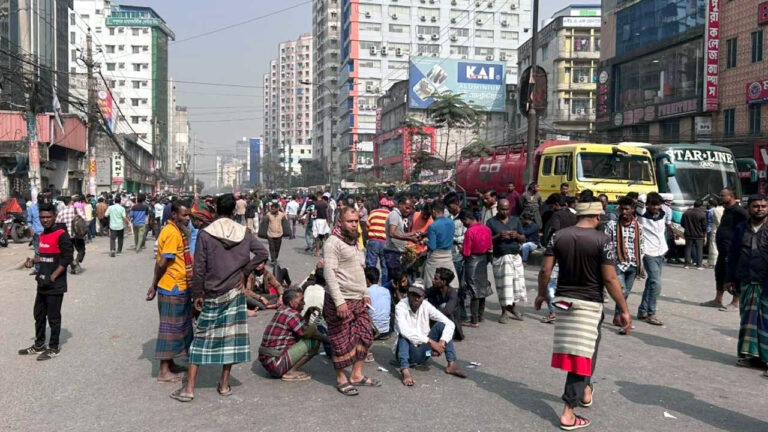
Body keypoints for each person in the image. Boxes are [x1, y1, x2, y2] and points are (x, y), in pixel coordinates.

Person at [535, 201, 632, 431]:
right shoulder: (602, 241)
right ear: (597, 216)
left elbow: (545, 270)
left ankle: (586, 391)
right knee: (582, 357)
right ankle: (569, 411)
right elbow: (609, 279)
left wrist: (541, 294)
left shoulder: (558, 236)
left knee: (583, 350)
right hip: (588, 304)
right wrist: (624, 309)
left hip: (564, 302)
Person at [170, 194, 269, 402]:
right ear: (234, 211)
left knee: (200, 340)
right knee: (230, 341)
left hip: (211, 292)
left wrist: (197, 294)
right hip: (233, 292)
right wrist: (244, 271)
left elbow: (199, 268)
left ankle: (189, 388)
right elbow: (262, 253)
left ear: (215, 211)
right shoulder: (244, 233)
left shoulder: (206, 234)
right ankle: (224, 385)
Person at [323, 206, 379, 396]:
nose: (354, 224)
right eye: (350, 221)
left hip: (358, 298)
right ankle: (341, 378)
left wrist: (365, 292)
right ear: (340, 222)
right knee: (341, 342)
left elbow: (360, 268)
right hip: (341, 299)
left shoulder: (355, 241)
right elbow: (329, 273)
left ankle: (356, 374)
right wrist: (339, 301)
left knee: (366, 334)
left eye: (356, 221)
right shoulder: (332, 243)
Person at [19, 203, 74, 361]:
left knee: (54, 317)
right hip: (42, 282)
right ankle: (39, 345)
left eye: (48, 217)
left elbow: (67, 256)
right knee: (39, 314)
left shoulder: (61, 234)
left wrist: (55, 275)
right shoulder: (42, 234)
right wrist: (33, 261)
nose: (45, 220)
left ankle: (54, 347)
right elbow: (45, 256)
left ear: (54, 217)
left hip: (55, 284)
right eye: (42, 217)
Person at [146, 201, 193, 383]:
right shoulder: (172, 233)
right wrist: (154, 285)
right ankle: (164, 371)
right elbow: (162, 263)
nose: (187, 218)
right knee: (170, 330)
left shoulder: (173, 230)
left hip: (177, 286)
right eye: (184, 215)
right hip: (172, 287)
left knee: (178, 328)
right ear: (174, 214)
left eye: (188, 215)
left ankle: (171, 363)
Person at [724, 194, 768, 374]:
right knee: (748, 319)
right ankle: (751, 356)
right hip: (747, 280)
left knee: (765, 322)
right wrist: (729, 279)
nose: (760, 209)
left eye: (764, 206)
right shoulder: (742, 228)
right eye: (756, 206)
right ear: (749, 207)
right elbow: (733, 255)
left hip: (766, 283)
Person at [395, 282, 467, 387]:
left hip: (425, 353)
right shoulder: (400, 307)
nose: (415, 299)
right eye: (413, 295)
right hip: (406, 354)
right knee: (404, 335)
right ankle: (405, 371)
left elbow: (449, 324)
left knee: (442, 325)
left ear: (423, 297)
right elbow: (404, 330)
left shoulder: (426, 305)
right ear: (408, 295)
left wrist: (442, 342)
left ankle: (451, 364)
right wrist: (431, 342)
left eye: (419, 296)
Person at [258, 288, 330, 381]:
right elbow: (309, 333)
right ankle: (290, 372)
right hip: (276, 364)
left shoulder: (282, 310)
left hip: (268, 362)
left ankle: (287, 367)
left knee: (307, 337)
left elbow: (300, 328)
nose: (303, 303)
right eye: (301, 300)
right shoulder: (292, 314)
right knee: (314, 341)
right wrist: (330, 341)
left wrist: (308, 312)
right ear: (292, 303)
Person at [701, 188, 748, 311]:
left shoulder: (739, 211)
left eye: (723, 196)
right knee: (720, 273)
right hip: (722, 249)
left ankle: (735, 302)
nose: (720, 198)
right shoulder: (727, 210)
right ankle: (718, 300)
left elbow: (749, 223)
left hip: (732, 250)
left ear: (731, 196)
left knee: (733, 275)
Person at [604, 196, 644, 329]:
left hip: (633, 264)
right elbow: (606, 243)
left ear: (632, 210)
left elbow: (642, 245)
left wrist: (640, 263)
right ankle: (622, 316)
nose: (624, 212)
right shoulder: (612, 225)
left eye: (627, 209)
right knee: (621, 290)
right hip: (617, 263)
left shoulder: (638, 226)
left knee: (626, 292)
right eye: (622, 209)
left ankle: (618, 315)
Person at [487, 199, 527, 323]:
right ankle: (504, 312)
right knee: (504, 286)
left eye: (507, 209)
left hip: (515, 257)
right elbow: (487, 239)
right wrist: (499, 236)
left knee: (515, 285)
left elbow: (523, 238)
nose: (505, 212)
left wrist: (517, 236)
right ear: (497, 208)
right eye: (502, 209)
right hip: (501, 257)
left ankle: (513, 308)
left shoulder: (515, 220)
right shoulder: (491, 222)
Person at [636, 192, 668, 326]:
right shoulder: (642, 215)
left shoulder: (662, 213)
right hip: (649, 253)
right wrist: (645, 197)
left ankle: (642, 310)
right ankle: (651, 313)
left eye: (658, 205)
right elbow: (641, 199)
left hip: (661, 251)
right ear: (648, 204)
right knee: (656, 283)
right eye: (653, 205)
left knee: (651, 283)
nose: (656, 207)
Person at [461, 211, 493, 327]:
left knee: (473, 289)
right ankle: (480, 316)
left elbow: (466, 252)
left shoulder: (470, 231)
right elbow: (490, 247)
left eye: (464, 221)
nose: (464, 224)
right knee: (482, 287)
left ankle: (474, 320)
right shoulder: (487, 229)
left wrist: (461, 249)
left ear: (467, 218)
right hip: (483, 260)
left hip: (472, 261)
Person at [384, 198, 420, 286]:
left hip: (396, 251)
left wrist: (412, 234)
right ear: (400, 204)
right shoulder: (394, 215)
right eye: (407, 208)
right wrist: (410, 239)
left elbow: (399, 233)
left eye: (410, 208)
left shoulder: (398, 216)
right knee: (395, 279)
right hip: (392, 252)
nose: (408, 210)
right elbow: (392, 233)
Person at [423, 201, 457, 289]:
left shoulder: (433, 226)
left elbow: (432, 246)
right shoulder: (451, 222)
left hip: (435, 258)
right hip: (448, 256)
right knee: (450, 283)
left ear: (434, 211)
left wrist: (426, 241)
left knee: (432, 284)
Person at [427, 267, 463, 341]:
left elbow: (447, 311)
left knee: (442, 306)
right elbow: (422, 295)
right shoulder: (434, 289)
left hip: (451, 324)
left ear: (444, 282)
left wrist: (429, 313)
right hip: (437, 320)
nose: (433, 280)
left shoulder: (452, 293)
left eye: (436, 279)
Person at [56, 196, 86, 274]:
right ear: (71, 202)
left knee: (69, 252)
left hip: (66, 236)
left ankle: (73, 267)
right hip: (77, 234)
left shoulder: (61, 213)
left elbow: (57, 224)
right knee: (81, 249)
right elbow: (84, 218)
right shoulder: (76, 210)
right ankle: (77, 260)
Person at [366, 198, 392, 284]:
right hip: (385, 242)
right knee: (385, 266)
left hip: (373, 241)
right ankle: (384, 285)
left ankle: (370, 284)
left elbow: (367, 226)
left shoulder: (373, 212)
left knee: (371, 265)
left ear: (380, 205)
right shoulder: (390, 214)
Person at [366, 266, 391, 339]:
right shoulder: (386, 291)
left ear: (367, 280)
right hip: (385, 330)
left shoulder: (366, 292)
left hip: (372, 331)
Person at [681, 199, 707, 269]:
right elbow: (704, 226)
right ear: (701, 205)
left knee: (688, 248)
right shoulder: (702, 214)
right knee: (699, 249)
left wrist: (687, 228)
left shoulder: (686, 213)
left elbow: (682, 223)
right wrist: (704, 234)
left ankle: (687, 264)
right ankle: (699, 265)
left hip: (688, 234)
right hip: (699, 235)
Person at [27, 196, 44, 275]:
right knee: (37, 252)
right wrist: (31, 230)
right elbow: (29, 221)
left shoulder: (46, 207)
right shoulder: (32, 208)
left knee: (47, 251)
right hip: (37, 233)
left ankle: (48, 268)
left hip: (46, 233)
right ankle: (38, 269)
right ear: (38, 198)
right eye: (40, 198)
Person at [707, 198, 723, 268]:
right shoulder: (725, 209)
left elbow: (716, 221)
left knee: (713, 245)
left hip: (715, 229)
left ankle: (713, 262)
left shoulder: (715, 210)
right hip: (723, 229)